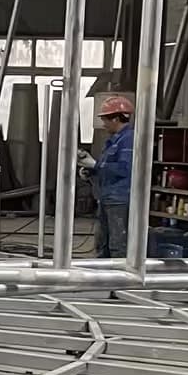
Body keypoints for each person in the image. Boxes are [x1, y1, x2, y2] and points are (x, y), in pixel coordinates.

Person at [80, 94, 135, 257]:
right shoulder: (113, 141)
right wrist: (90, 170)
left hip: (119, 200)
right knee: (102, 243)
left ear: (116, 119)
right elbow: (107, 166)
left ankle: (119, 272)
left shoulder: (128, 140)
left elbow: (125, 169)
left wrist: (95, 165)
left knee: (117, 245)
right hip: (107, 197)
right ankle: (102, 271)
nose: (103, 124)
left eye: (105, 120)